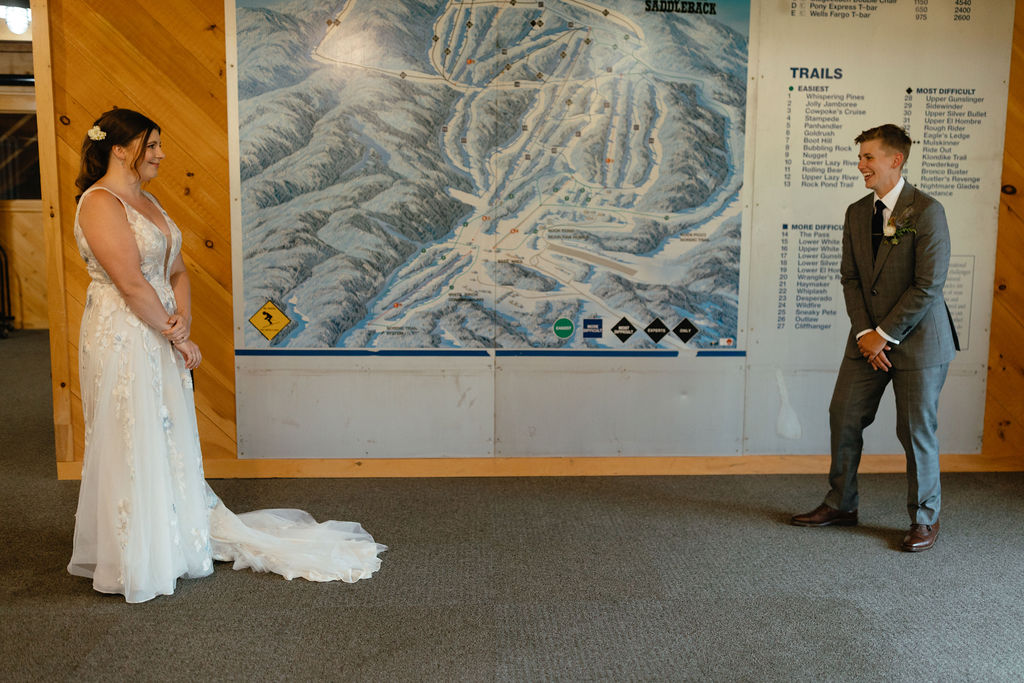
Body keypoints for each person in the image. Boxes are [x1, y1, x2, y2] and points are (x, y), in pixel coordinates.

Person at [67, 108, 385, 602]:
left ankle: (171, 536)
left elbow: (177, 270)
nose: (160, 154)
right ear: (119, 149)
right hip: (124, 333)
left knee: (163, 430)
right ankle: (135, 551)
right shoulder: (100, 203)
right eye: (151, 146)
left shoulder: (147, 201)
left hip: (160, 326)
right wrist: (177, 336)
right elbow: (129, 282)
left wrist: (184, 319)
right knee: (132, 431)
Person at [791, 124, 958, 552]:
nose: (860, 165)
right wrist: (866, 333)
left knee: (914, 429)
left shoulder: (927, 211)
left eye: (868, 157)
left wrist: (884, 335)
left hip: (920, 342)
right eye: (860, 157)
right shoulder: (854, 212)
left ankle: (925, 519)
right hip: (866, 340)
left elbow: (928, 285)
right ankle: (841, 504)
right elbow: (850, 278)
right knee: (843, 415)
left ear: (894, 160)